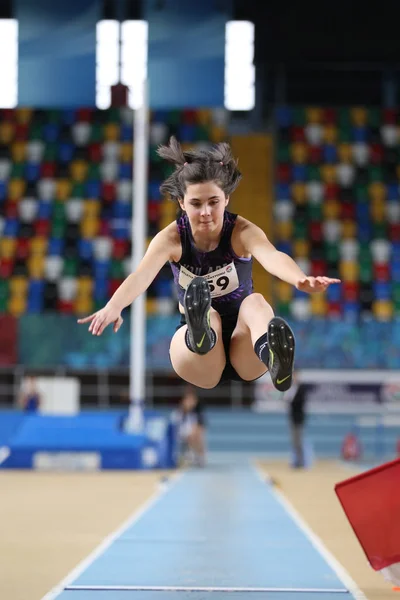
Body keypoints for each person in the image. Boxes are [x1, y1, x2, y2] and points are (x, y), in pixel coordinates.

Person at [78, 137, 340, 391]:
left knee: (256, 302)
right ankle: (200, 334)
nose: (205, 212)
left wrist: (299, 279)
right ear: (181, 203)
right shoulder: (171, 238)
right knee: (209, 314)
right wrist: (114, 306)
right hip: (197, 357)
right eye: (195, 203)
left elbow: (271, 256)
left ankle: (272, 356)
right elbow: (141, 275)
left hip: (244, 346)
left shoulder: (241, 231)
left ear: (226, 198)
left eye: (213, 202)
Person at [170, 385, 207, 467]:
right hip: (179, 434)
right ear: (184, 401)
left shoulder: (197, 413)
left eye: (192, 401)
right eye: (188, 400)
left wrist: (195, 432)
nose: (190, 403)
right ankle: (187, 455)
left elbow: (200, 426)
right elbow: (174, 425)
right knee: (192, 435)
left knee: (198, 434)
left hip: (192, 434)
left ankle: (198, 456)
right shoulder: (178, 413)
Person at [284, 371, 308, 468]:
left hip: (299, 418)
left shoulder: (302, 388)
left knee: (299, 441)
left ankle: (301, 461)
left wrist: (291, 401)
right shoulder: (290, 388)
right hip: (292, 418)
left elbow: (300, 402)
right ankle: (296, 461)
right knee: (294, 441)